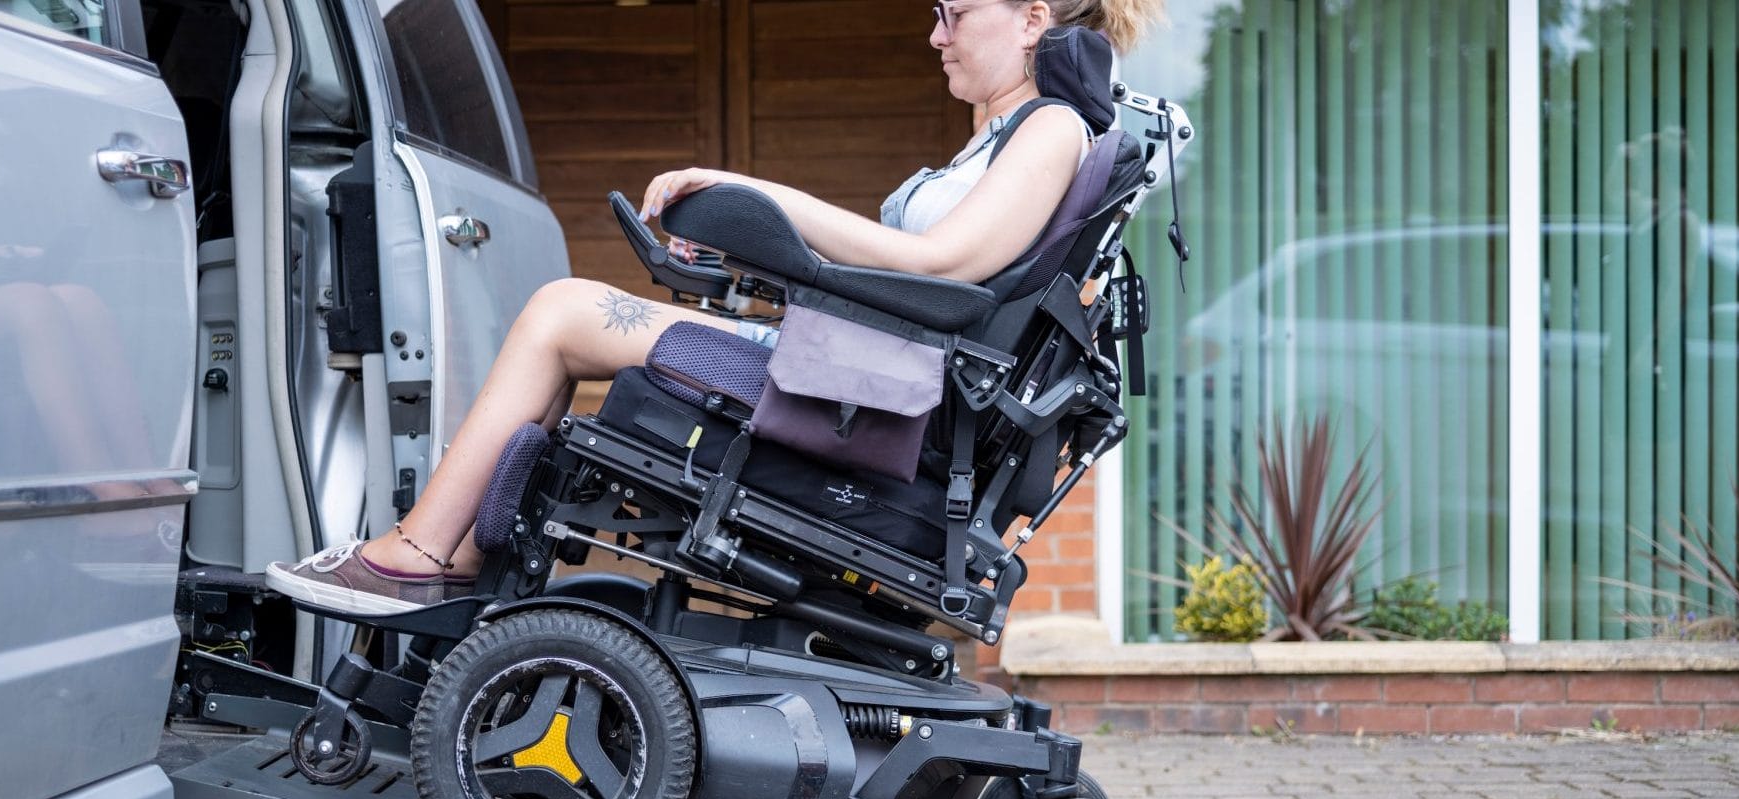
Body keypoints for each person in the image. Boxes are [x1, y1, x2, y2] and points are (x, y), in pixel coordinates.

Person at [266, 0, 1163, 614]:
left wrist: (755, 195)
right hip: (865, 377)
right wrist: (753, 259)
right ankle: (448, 554)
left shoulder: (1051, 127)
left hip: (874, 401)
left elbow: (942, 266)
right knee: (568, 314)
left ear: (1032, 18)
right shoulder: (1003, 134)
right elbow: (910, 284)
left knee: (561, 312)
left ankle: (421, 556)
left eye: (953, 12)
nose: (935, 34)